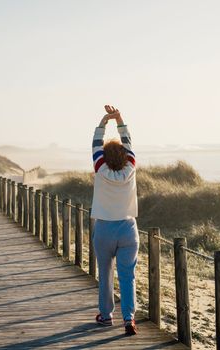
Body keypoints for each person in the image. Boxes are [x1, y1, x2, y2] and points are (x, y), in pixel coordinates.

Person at [91, 105, 139, 336]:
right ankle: (129, 318)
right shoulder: (131, 166)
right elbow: (128, 142)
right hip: (128, 228)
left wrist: (103, 123)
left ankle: (106, 316)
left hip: (104, 228)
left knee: (106, 272)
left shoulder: (100, 168)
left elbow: (95, 145)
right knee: (127, 276)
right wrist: (119, 119)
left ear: (105, 158)